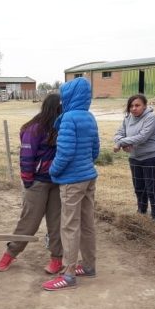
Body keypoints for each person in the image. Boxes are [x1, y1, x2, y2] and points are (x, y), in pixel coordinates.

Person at [41, 77, 99, 291]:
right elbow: (95, 150)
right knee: (87, 223)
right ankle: (89, 265)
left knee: (69, 226)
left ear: (70, 96)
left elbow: (64, 152)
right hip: (88, 176)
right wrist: (84, 165)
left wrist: (53, 170)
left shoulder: (68, 119)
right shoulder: (89, 117)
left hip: (72, 180)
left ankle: (68, 273)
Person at [0, 93, 63, 274]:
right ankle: (10, 253)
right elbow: (26, 156)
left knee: (57, 223)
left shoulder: (63, 127)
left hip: (58, 183)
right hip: (37, 183)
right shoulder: (35, 129)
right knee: (29, 222)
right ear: (55, 108)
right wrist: (28, 181)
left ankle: (57, 258)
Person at [113, 94, 155, 221]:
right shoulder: (128, 118)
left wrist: (121, 143)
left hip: (152, 158)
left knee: (152, 189)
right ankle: (141, 213)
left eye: (137, 105)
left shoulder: (151, 118)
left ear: (145, 106)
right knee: (139, 188)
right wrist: (121, 140)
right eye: (131, 106)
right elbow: (118, 133)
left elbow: (142, 137)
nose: (134, 108)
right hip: (135, 158)